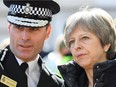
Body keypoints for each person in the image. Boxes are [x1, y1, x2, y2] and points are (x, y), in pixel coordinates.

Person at [0, 0, 66, 87]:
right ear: (9, 28)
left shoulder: (57, 84)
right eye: (18, 27)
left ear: (48, 32)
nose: (25, 37)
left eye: (33, 29)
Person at [58, 7, 116, 87]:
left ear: (106, 43)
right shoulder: (68, 83)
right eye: (72, 41)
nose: (76, 46)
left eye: (84, 38)